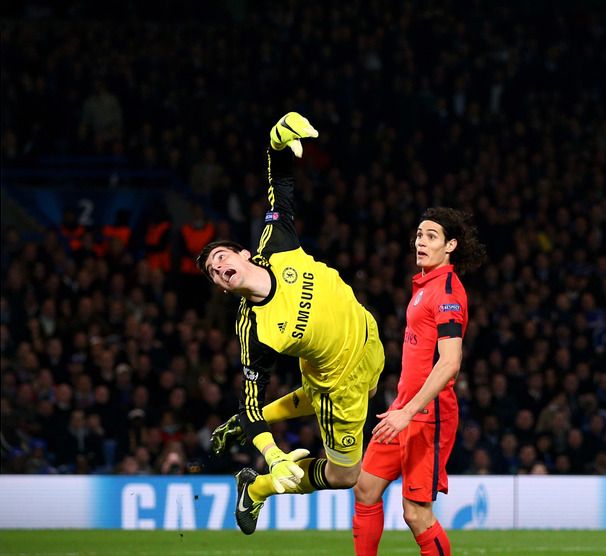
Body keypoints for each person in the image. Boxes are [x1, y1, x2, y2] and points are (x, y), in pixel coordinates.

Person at [197, 112, 385, 535]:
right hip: (339, 386)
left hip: (369, 336)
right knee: (346, 477)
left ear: (244, 254)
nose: (220, 267)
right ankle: (258, 489)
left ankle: (258, 431)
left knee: (372, 385)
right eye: (213, 271)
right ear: (223, 288)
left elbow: (280, 187)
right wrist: (273, 455)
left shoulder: (277, 244)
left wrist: (276, 144)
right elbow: (249, 397)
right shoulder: (255, 331)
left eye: (222, 257)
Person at [353, 207, 486, 556]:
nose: (420, 242)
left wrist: (407, 412)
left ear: (451, 245)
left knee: (416, 513)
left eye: (431, 236)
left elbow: (451, 362)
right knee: (366, 488)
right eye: (419, 235)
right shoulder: (424, 287)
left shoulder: (447, 292)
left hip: (427, 414)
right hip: (404, 408)